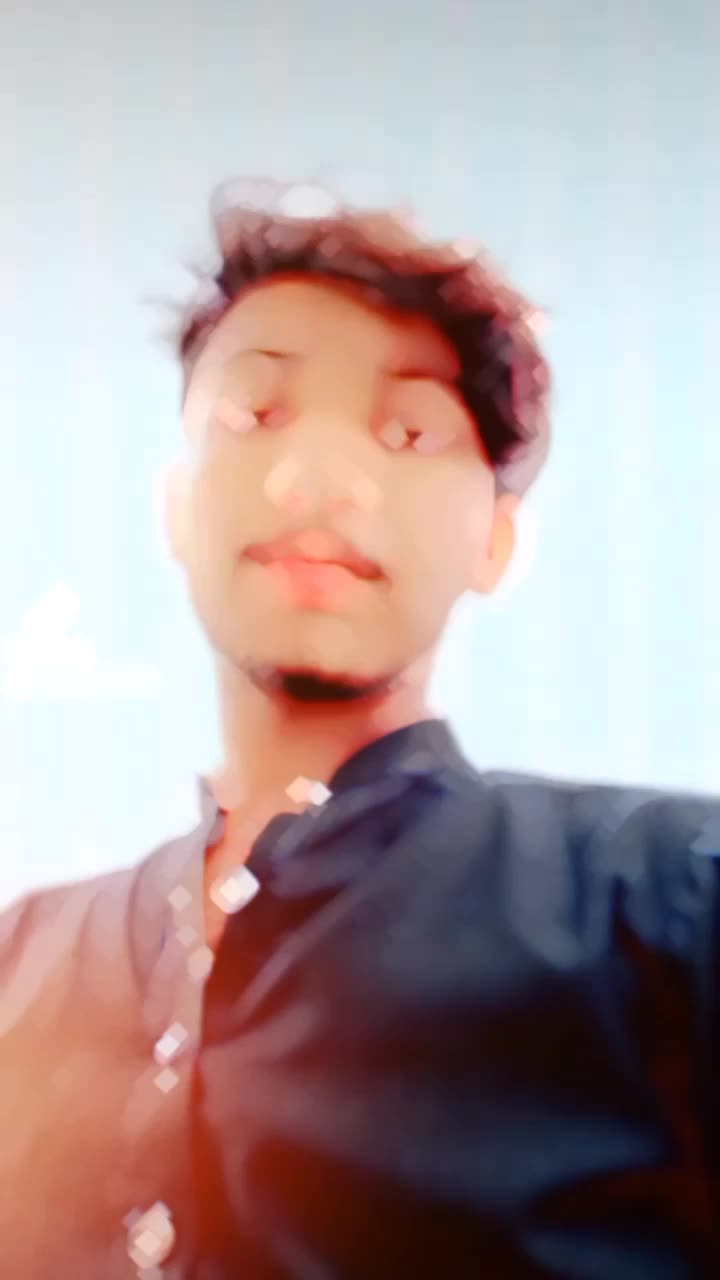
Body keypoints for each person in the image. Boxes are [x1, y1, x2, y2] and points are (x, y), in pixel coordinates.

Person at [1, 177, 718, 1280]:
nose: (318, 479)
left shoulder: (669, 898)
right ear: (177, 509)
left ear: (496, 543)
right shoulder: (22, 960)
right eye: (256, 414)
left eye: (410, 430)